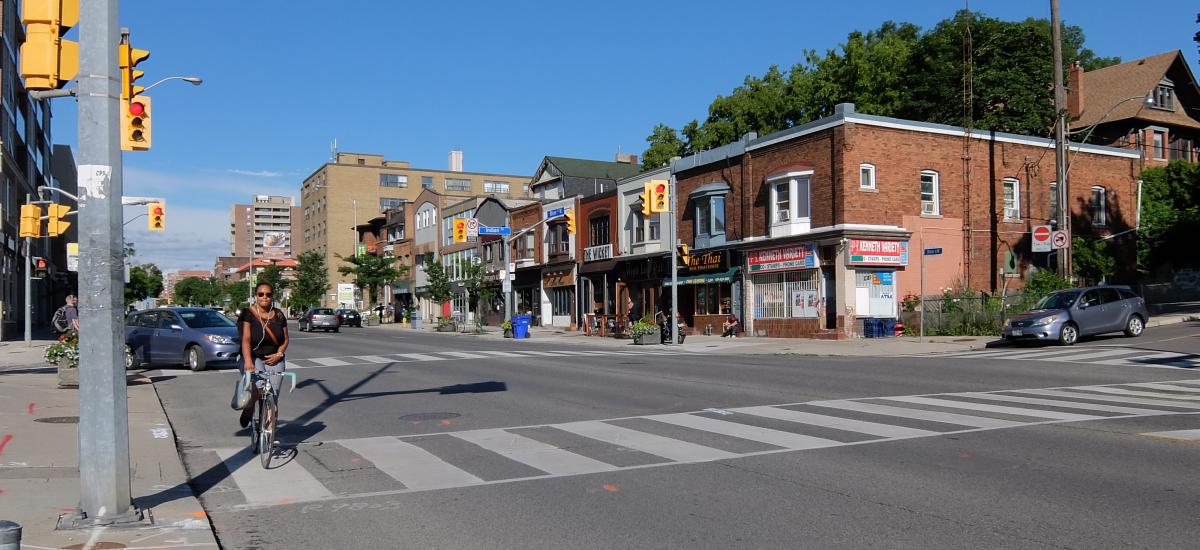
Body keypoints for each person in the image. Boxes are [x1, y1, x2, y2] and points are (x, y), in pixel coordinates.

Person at [237, 282, 289, 428]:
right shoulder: (247, 313)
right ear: (256, 296)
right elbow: (246, 339)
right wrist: (248, 361)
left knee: (273, 395)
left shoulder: (279, 314)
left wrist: (279, 354)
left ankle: (268, 435)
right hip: (254, 358)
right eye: (261, 294)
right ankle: (249, 406)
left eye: (268, 294)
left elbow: (285, 339)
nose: (264, 297)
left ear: (272, 297)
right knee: (260, 388)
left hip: (275, 359)